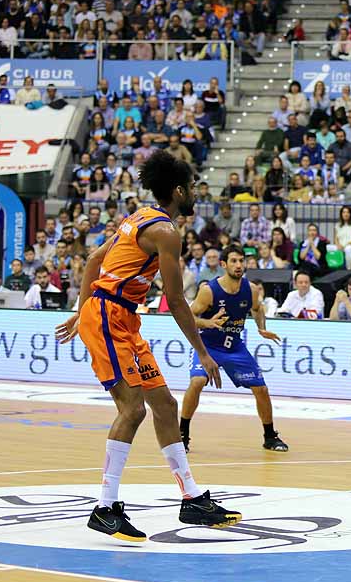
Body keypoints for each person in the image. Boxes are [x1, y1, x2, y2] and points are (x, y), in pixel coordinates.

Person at [55, 152, 240, 543]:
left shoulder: (139, 216)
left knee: (165, 405)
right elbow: (174, 300)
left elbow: (93, 259)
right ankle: (105, 508)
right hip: (109, 317)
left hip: (121, 318)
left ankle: (191, 498)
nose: (193, 193)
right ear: (178, 190)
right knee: (133, 408)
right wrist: (203, 352)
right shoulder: (166, 232)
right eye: (190, 187)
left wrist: (81, 309)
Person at [180, 246, 288, 453]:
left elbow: (258, 309)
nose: (239, 265)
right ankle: (182, 435)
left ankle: (270, 436)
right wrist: (207, 323)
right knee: (197, 382)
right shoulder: (209, 291)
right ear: (223, 265)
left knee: (261, 389)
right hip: (209, 345)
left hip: (234, 347)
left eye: (241, 261)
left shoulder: (251, 289)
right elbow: (188, 317)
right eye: (234, 261)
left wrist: (261, 328)